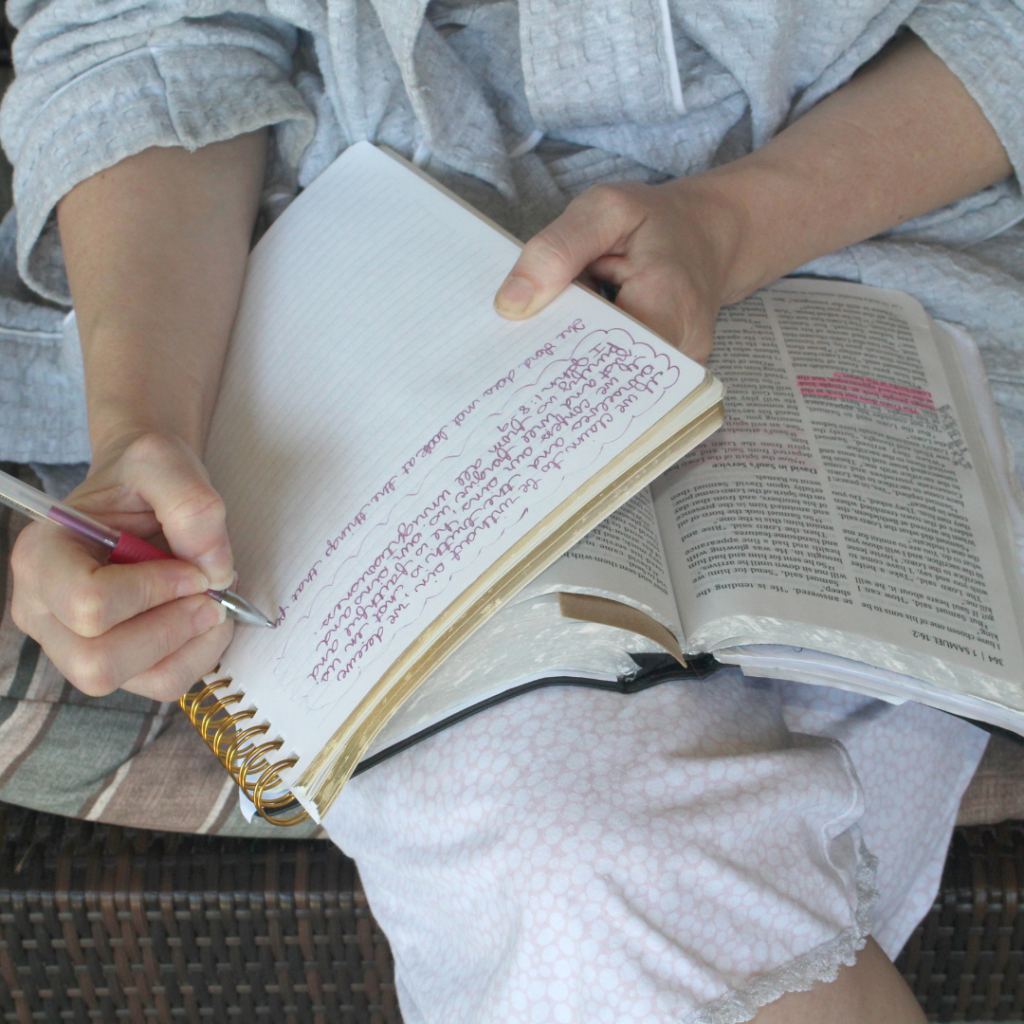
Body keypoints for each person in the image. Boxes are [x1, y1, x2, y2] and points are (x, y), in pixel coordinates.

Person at [2, 0, 1023, 1018]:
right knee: (571, 854)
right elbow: (142, 38)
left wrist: (736, 220)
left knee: (574, 863)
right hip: (371, 327)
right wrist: (141, 425)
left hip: (877, 257)